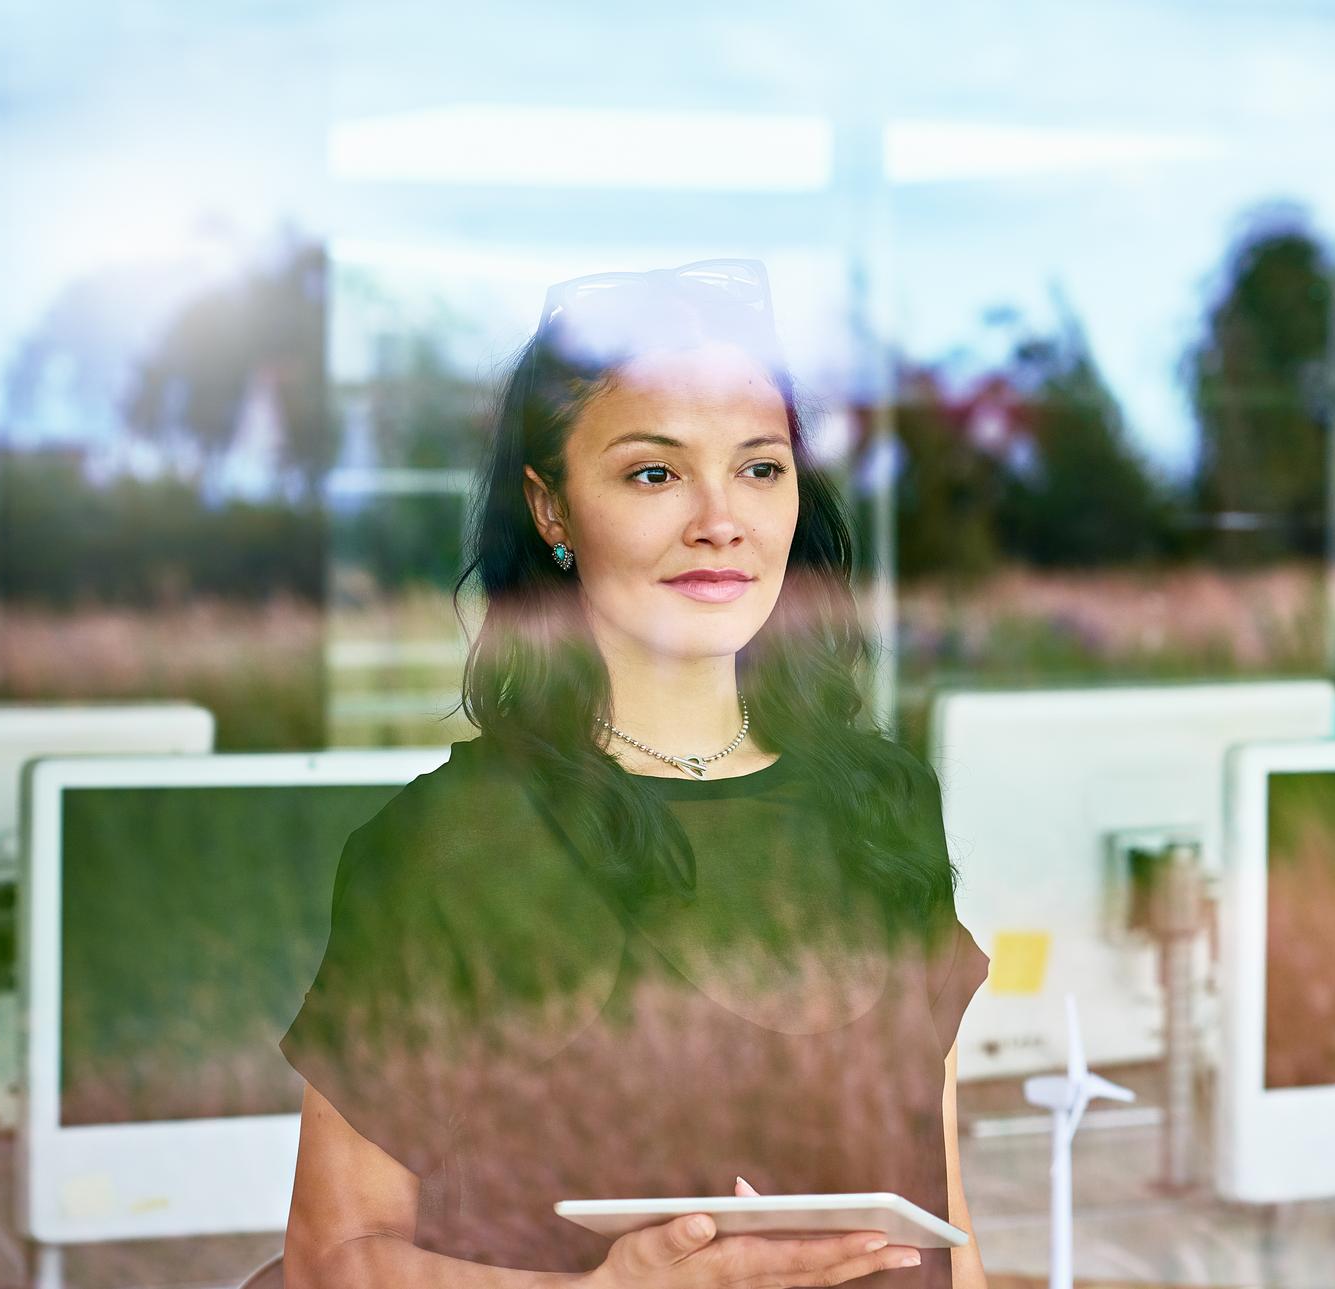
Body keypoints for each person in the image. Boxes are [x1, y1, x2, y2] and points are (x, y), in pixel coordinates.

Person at [279, 260, 992, 1289]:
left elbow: (949, 1226)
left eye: (759, 467)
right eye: (654, 473)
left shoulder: (883, 804)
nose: (720, 519)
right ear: (552, 509)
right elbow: (330, 1259)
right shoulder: (446, 844)